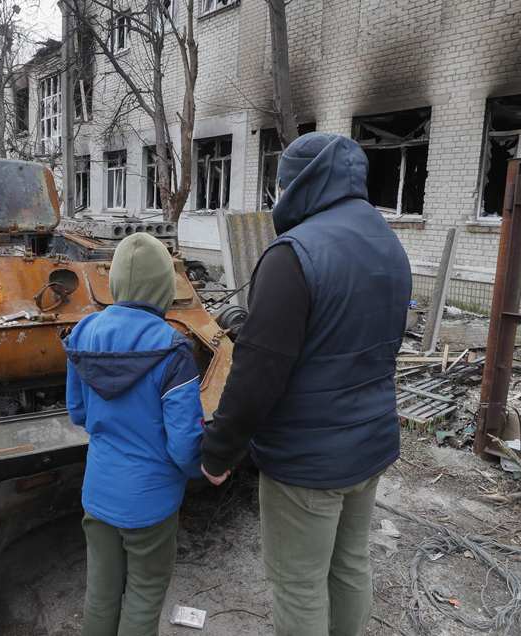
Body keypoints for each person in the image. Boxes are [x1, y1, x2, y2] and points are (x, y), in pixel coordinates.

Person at [200, 132, 412, 636]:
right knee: (350, 564)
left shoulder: (293, 253)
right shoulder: (388, 241)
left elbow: (258, 371)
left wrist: (218, 452)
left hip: (308, 460)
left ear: (294, 185)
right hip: (372, 442)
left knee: (299, 585)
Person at [63, 232, 205, 636]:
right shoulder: (173, 349)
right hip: (150, 501)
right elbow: (182, 445)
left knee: (102, 591)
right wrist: (201, 468)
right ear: (164, 285)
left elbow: (78, 412)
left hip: (98, 491)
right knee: (144, 591)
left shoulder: (83, 333)